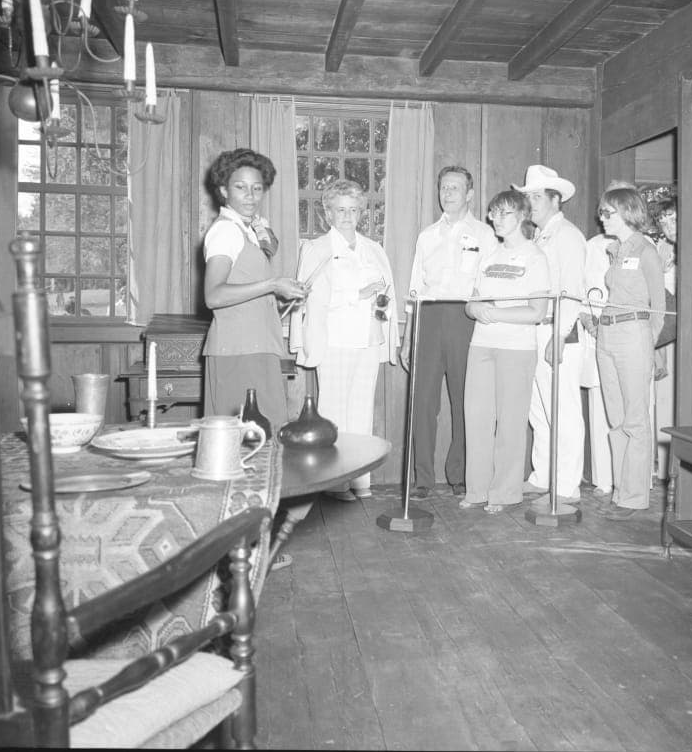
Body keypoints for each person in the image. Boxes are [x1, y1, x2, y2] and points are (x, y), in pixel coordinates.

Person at [294, 178, 399, 501]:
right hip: (335, 340)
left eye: (353, 210)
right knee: (334, 412)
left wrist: (387, 329)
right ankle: (335, 482)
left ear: (361, 213)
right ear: (328, 214)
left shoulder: (374, 249)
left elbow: (388, 297)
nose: (347, 216)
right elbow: (309, 299)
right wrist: (356, 294)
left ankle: (359, 481)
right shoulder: (316, 249)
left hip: (368, 339)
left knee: (361, 412)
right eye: (340, 210)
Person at [401, 166, 495, 501]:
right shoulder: (427, 236)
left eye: (455, 188)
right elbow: (414, 287)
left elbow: (490, 285)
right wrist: (408, 335)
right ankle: (422, 478)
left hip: (465, 317)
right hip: (428, 316)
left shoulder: (485, 235)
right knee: (423, 401)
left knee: (464, 401)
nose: (448, 193)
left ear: (469, 194)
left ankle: (460, 475)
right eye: (444, 187)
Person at [202, 148, 306, 430]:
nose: (250, 196)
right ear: (224, 190)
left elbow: (247, 295)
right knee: (246, 442)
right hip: (238, 351)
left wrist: (282, 297)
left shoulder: (245, 230)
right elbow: (214, 296)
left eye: (257, 188)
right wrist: (272, 284)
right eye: (241, 187)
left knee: (263, 440)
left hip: (256, 347)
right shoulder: (225, 231)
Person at [462, 190, 550, 513]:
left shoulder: (535, 257)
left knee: (511, 422)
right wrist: (476, 309)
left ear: (522, 216)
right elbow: (471, 302)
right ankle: (477, 490)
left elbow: (537, 312)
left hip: (516, 348)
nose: (495, 219)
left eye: (503, 214)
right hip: (481, 344)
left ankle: (504, 492)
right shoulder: (489, 255)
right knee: (477, 418)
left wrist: (496, 313)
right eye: (493, 213)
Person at [512, 164, 587, 503]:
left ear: (556, 200)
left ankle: (567, 485)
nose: (532, 202)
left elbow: (573, 291)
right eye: (528, 197)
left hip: (558, 332)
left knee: (563, 410)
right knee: (539, 411)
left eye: (538, 196)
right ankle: (543, 475)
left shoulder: (568, 235)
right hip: (536, 328)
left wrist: (560, 334)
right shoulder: (539, 236)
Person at [593, 185, 666, 519]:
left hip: (633, 333)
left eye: (608, 212)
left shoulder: (645, 250)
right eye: (602, 212)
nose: (602, 218)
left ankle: (635, 496)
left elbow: (659, 306)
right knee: (616, 419)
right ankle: (621, 490)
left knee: (635, 420)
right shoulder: (614, 249)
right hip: (607, 333)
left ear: (626, 212)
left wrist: (647, 345)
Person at [579, 181, 641, 498]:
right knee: (603, 408)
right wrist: (592, 322)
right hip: (598, 335)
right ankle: (607, 479)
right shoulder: (591, 246)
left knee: (633, 413)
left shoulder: (645, 247)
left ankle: (632, 483)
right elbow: (583, 292)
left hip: (632, 339)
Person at [653, 199, 677, 481]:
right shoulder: (661, 249)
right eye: (663, 221)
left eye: (673, 219)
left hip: (682, 326)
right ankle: (665, 468)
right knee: (665, 399)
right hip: (665, 326)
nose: (669, 227)